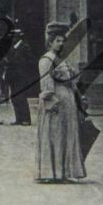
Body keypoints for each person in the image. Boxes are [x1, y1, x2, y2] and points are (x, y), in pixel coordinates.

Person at [36, 22, 88, 182]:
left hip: (68, 102)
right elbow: (46, 83)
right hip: (57, 103)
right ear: (50, 41)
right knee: (56, 136)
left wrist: (79, 97)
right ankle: (53, 172)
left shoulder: (61, 59)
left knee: (67, 135)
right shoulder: (46, 60)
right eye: (58, 40)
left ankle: (67, 172)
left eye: (62, 40)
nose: (61, 43)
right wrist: (51, 101)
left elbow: (71, 82)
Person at [2, 25, 36, 126]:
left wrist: (21, 65)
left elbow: (31, 61)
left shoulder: (25, 46)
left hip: (21, 77)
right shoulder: (12, 47)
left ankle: (26, 119)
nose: (12, 38)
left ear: (19, 37)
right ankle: (19, 118)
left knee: (21, 97)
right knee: (14, 97)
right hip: (13, 76)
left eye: (14, 36)